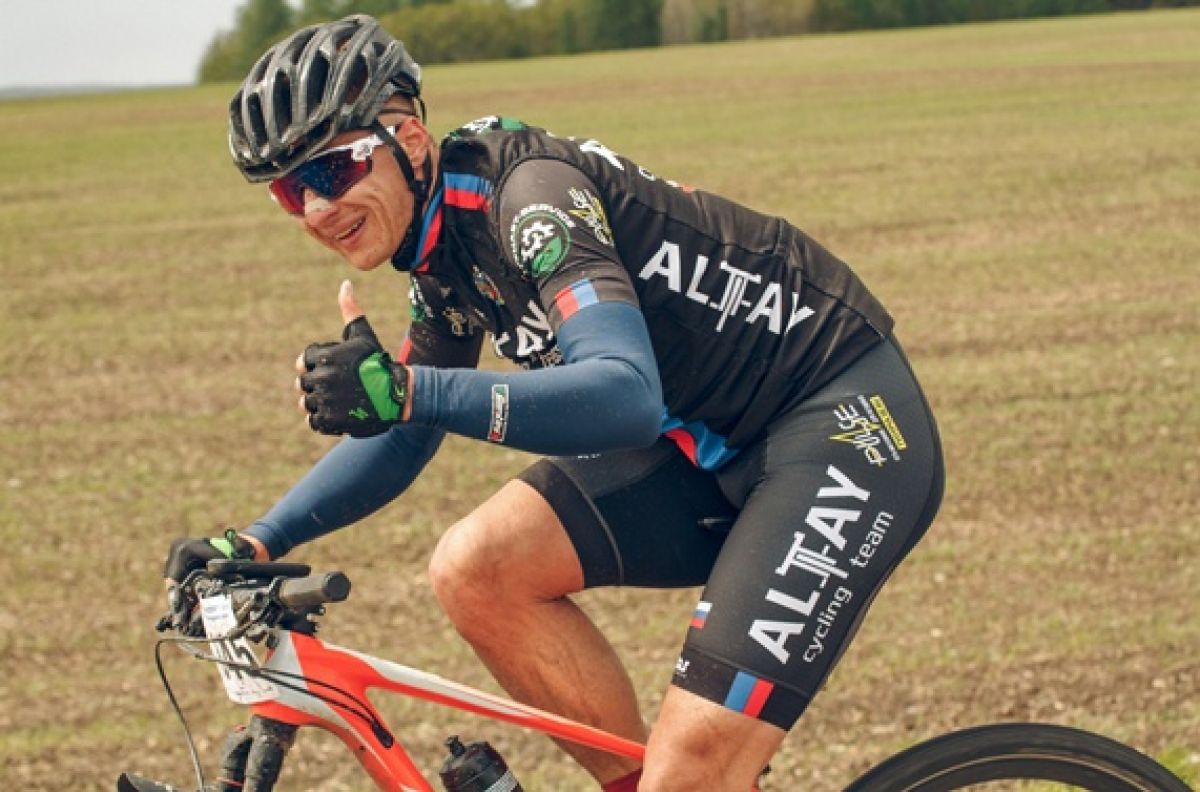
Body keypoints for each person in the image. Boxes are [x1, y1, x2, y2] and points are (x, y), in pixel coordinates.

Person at [164, 14, 944, 792]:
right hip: (705, 443)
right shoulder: (440, 250)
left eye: (333, 173)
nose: (315, 211)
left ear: (409, 141)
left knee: (694, 769)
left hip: (833, 424)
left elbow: (625, 397)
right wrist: (261, 539)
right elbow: (405, 435)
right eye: (290, 192)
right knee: (477, 568)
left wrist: (406, 390)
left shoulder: (528, 200)